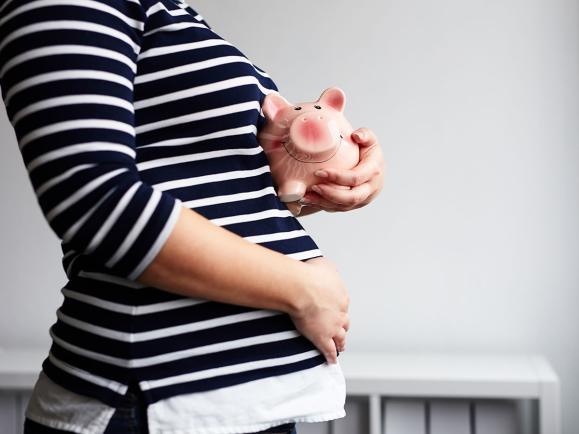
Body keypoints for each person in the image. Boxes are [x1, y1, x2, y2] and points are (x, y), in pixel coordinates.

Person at [0, 0, 385, 432]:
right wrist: (303, 288)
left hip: (235, 400)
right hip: (159, 401)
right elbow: (94, 200)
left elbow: (216, 195)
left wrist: (336, 174)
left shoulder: (172, 10)